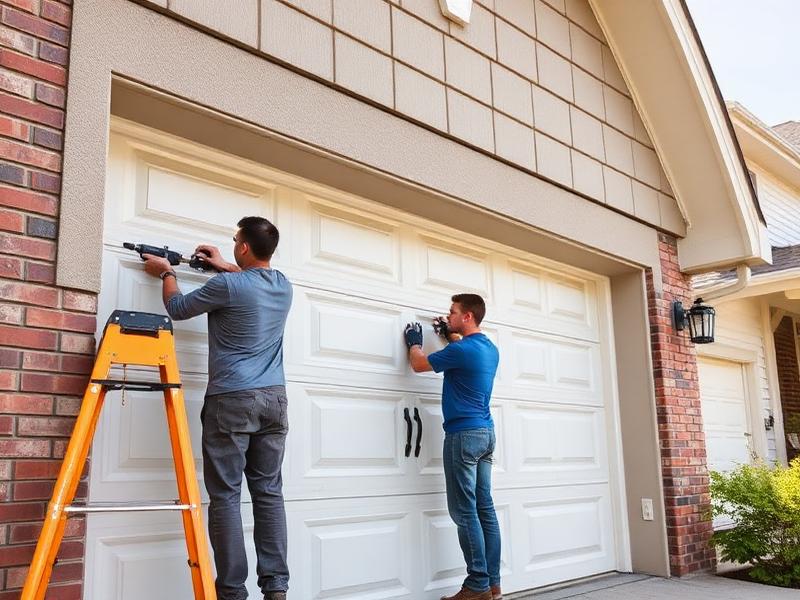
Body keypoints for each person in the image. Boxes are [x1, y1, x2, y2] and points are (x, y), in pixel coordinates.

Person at [142, 216, 293, 600]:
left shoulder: (226, 285)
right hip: (274, 400)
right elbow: (247, 278)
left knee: (226, 496)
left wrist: (166, 272)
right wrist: (224, 263)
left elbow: (176, 307)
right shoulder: (283, 285)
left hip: (232, 399)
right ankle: (276, 589)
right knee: (268, 493)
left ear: (243, 247)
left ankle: (231, 593)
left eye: (235, 241)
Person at [404, 294, 501, 600]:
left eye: (453, 312)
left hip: (463, 436)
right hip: (486, 433)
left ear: (468, 316)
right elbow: (461, 355)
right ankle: (492, 583)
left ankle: (476, 585)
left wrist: (414, 342)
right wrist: (450, 335)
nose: (449, 315)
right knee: (484, 508)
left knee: (463, 511)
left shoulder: (462, 349)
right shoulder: (488, 348)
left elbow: (419, 365)